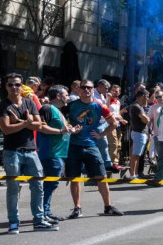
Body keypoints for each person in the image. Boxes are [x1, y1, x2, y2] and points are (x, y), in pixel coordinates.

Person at [0, 73, 56, 234]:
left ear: (22, 86)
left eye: (17, 84)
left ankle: (39, 220)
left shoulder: (29, 102)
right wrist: (27, 123)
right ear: (6, 87)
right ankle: (14, 222)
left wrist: (21, 122)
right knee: (13, 188)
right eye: (10, 85)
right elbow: (6, 129)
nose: (14, 87)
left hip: (31, 150)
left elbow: (38, 125)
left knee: (38, 186)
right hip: (12, 151)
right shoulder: (2, 106)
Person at [66, 81, 124, 218]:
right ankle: (77, 208)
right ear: (79, 89)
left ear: (93, 89)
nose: (86, 90)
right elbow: (62, 119)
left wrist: (101, 134)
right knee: (75, 178)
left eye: (89, 87)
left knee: (101, 176)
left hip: (92, 145)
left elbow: (113, 123)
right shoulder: (72, 105)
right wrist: (69, 129)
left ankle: (108, 206)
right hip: (74, 145)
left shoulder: (99, 105)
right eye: (83, 87)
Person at [37, 85, 75, 224]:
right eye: (66, 94)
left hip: (58, 153)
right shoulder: (47, 108)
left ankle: (45, 212)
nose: (68, 96)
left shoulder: (57, 110)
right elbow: (40, 127)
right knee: (50, 184)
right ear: (58, 96)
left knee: (52, 184)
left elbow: (61, 129)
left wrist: (70, 130)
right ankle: (42, 213)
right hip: (50, 153)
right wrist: (61, 131)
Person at [127, 89, 151, 178]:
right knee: (135, 155)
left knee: (136, 155)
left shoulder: (138, 106)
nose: (148, 99)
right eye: (147, 96)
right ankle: (133, 174)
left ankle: (135, 174)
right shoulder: (136, 106)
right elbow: (146, 119)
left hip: (139, 133)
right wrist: (147, 118)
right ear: (143, 96)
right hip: (139, 133)